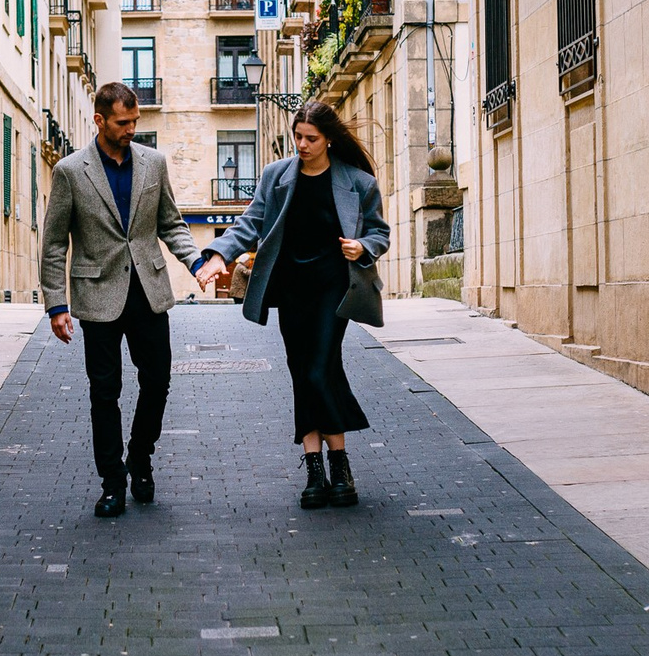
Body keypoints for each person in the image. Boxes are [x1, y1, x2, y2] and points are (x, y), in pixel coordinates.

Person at [195, 102, 389, 508]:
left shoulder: (358, 182)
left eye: (311, 138)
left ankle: (340, 462)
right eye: (298, 135)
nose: (302, 144)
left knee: (319, 368)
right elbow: (251, 222)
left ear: (328, 139)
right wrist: (218, 256)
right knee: (303, 372)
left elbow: (379, 233)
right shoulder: (277, 176)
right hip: (292, 291)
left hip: (334, 290)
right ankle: (315, 469)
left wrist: (362, 246)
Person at [39, 81, 207, 517]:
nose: (131, 128)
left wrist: (197, 262)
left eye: (135, 121)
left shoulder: (154, 164)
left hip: (148, 293)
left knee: (157, 382)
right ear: (99, 120)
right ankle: (112, 482)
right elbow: (55, 242)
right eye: (122, 122)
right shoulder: (72, 171)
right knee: (104, 391)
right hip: (97, 295)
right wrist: (56, 305)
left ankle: (141, 457)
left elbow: (171, 224)